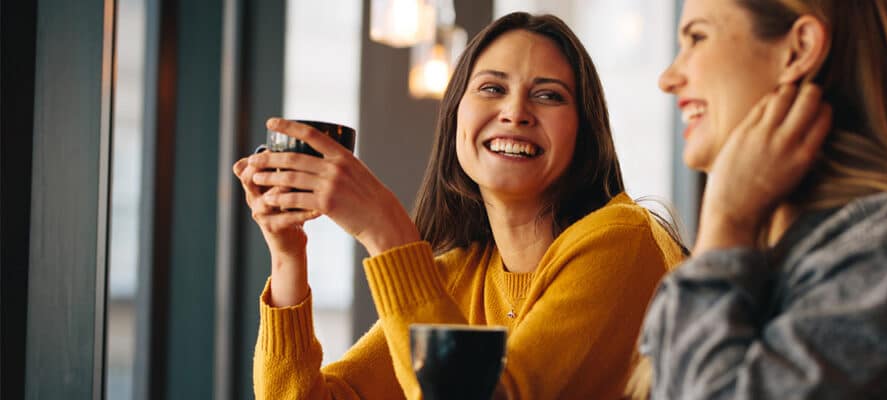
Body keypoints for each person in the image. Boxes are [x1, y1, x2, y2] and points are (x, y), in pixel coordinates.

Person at [233, 12, 686, 400]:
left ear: (584, 134)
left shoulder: (622, 240)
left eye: (548, 95)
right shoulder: (460, 276)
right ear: (455, 119)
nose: (515, 112)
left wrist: (385, 229)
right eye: (491, 88)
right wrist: (288, 253)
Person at [633, 0, 887, 399]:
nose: (668, 78)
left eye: (697, 37)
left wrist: (726, 218)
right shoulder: (774, 244)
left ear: (799, 50)